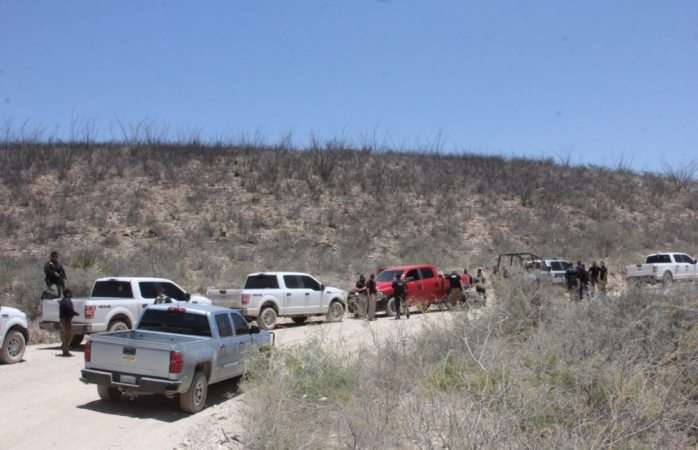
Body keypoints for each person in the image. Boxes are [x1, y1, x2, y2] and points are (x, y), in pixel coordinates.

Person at [58, 289, 79, 357]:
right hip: (66, 320)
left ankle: (64, 349)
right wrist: (75, 313)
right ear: (67, 294)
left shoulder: (62, 301)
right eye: (70, 293)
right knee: (69, 336)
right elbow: (69, 309)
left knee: (65, 335)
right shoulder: (67, 301)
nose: (71, 294)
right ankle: (65, 351)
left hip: (63, 319)